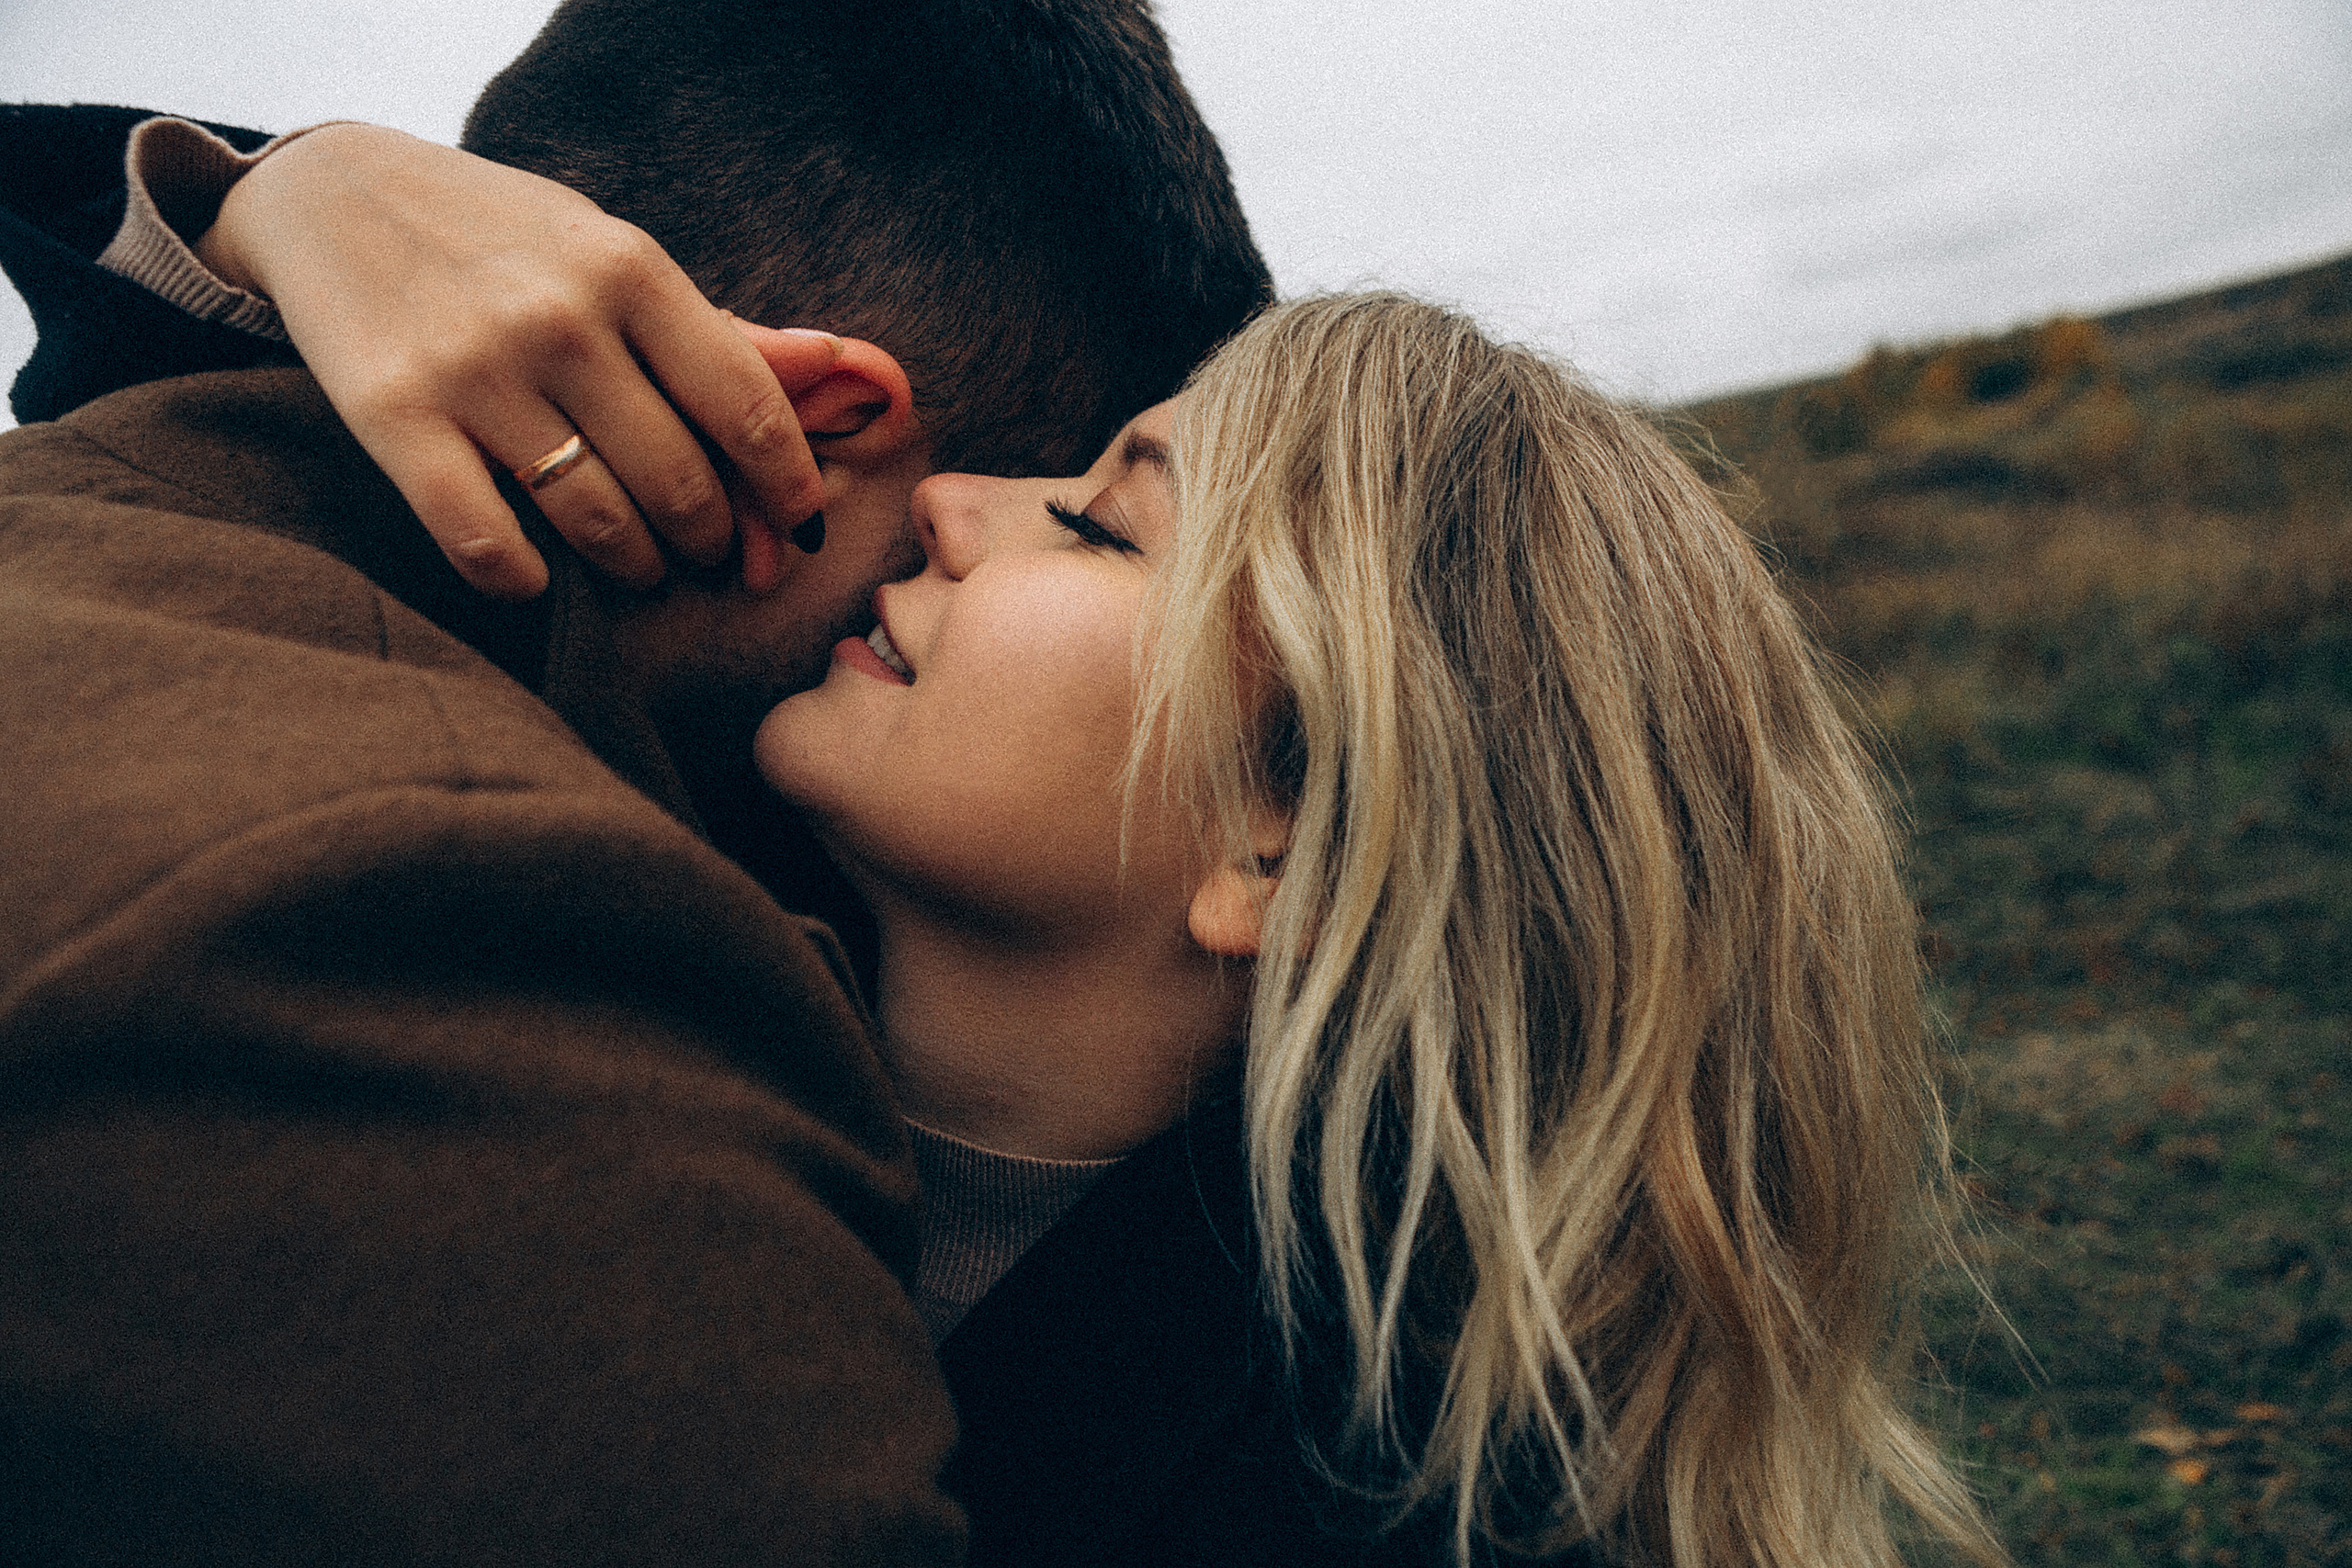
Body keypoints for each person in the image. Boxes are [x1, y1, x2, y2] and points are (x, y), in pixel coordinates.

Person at [0, 0, 1271, 1562]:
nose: (967, 521)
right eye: (1083, 500)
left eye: (1088, 522)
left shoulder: (117, 548)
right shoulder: (483, 948)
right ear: (809, 421)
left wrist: (266, 198)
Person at [753, 291, 2012, 1566]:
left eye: (1095, 525)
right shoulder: (682, 1029)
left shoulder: (1348, 1515)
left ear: (1285, 845)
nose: (949, 497)